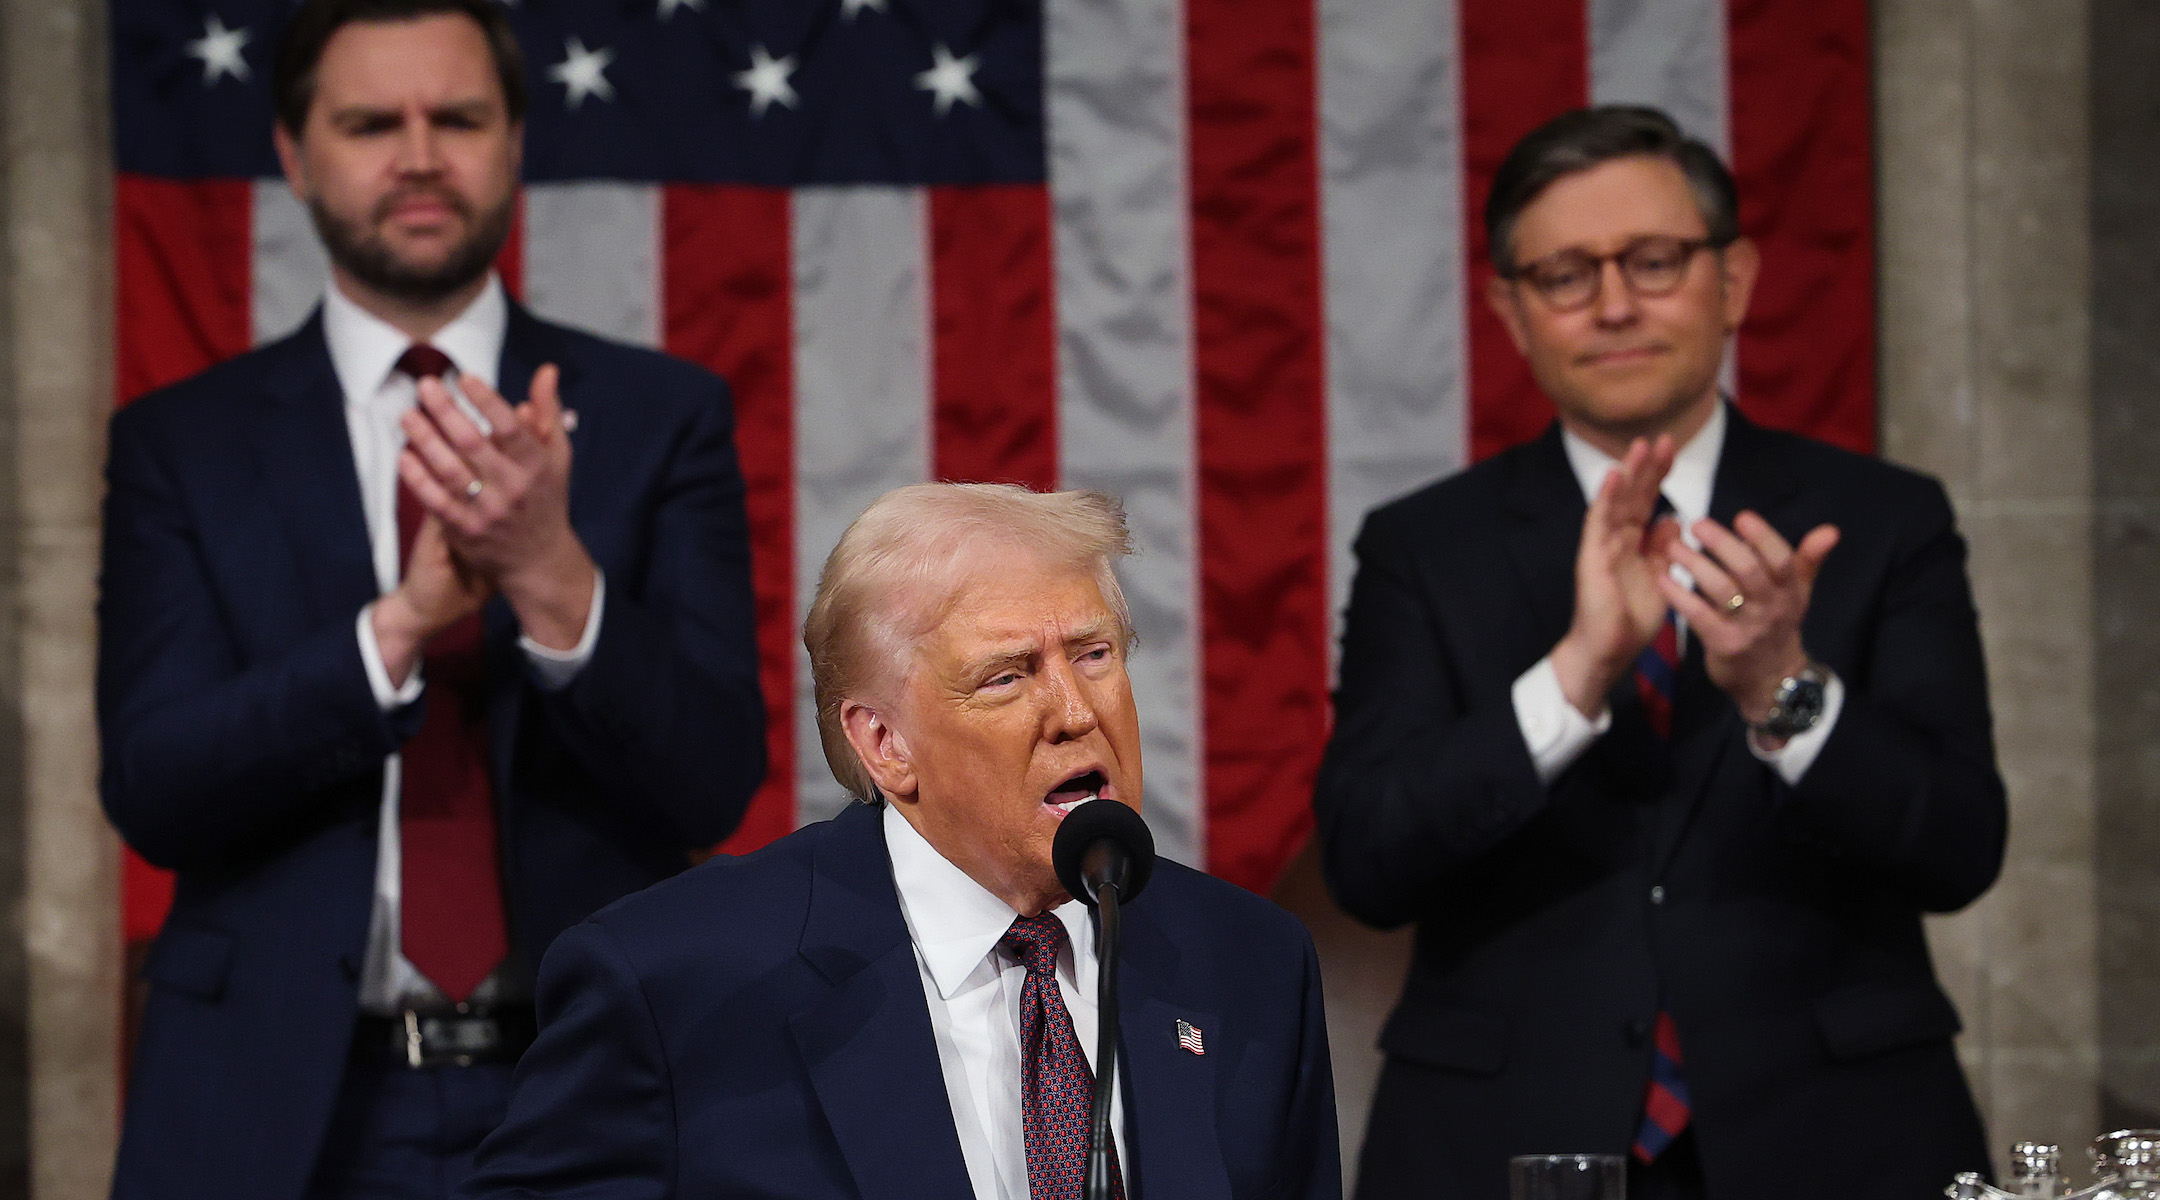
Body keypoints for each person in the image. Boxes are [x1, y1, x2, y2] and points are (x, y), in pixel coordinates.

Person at [96, 0, 765, 1195]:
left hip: (590, 1092)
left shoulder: (662, 417)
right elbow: (155, 788)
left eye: (456, 117)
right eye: (369, 123)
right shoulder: (178, 444)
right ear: (296, 156)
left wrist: (552, 575)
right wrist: (397, 629)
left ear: (514, 141)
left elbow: (713, 777)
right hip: (272, 1109)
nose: (417, 154)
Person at [1314, 106, 2004, 1199]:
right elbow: (1366, 860)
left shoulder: (1881, 520)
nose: (1616, 303)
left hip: (1839, 1141)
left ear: (1733, 281)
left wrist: (1785, 688)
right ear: (1510, 310)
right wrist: (1577, 673)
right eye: (1566, 275)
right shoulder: (1423, 548)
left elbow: (1962, 848)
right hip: (1506, 1144)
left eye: (1653, 260)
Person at [458, 483, 1340, 1200]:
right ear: (885, 745)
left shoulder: (1250, 965)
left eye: (1096, 654)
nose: (1077, 713)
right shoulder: (674, 984)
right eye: (1007, 676)